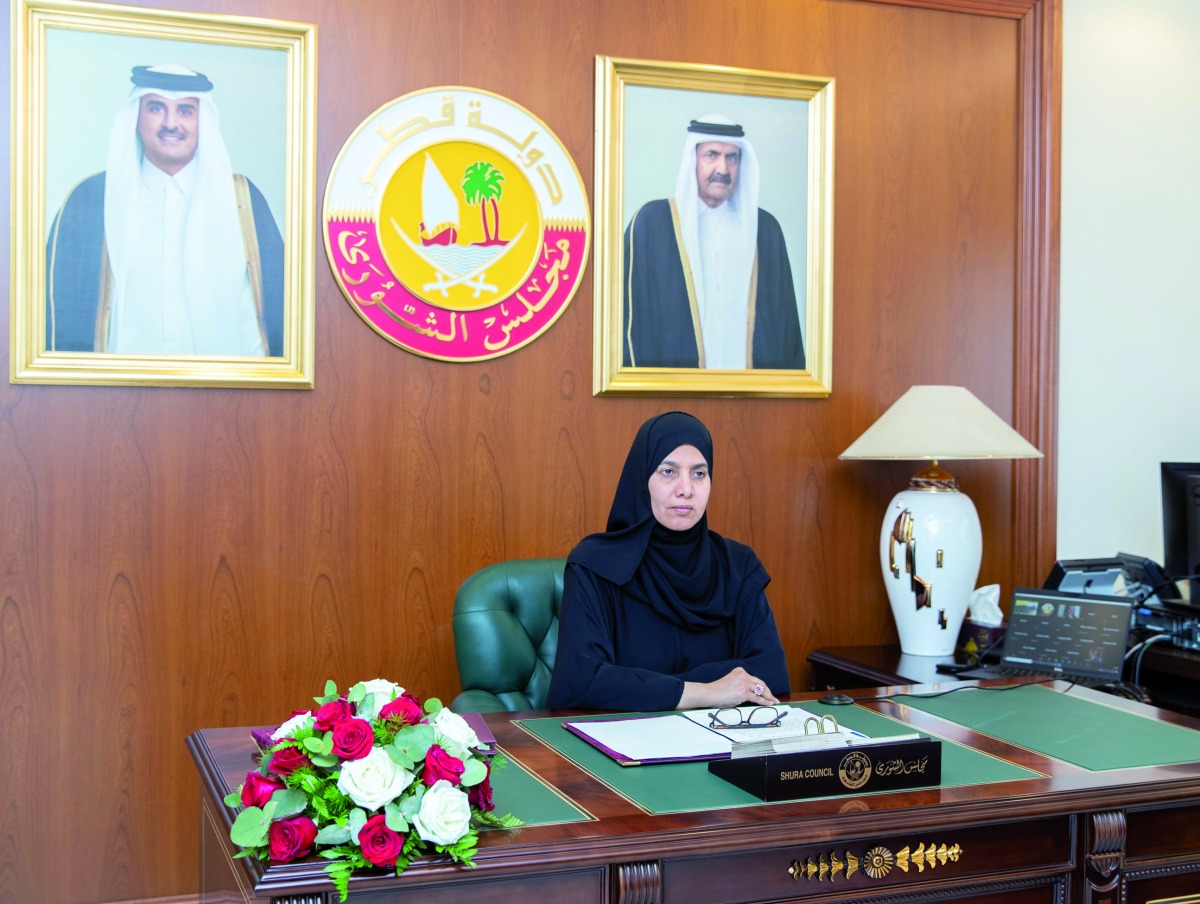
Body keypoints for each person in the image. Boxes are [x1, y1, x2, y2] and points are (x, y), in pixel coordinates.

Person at [547, 411, 790, 712]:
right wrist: (705, 692)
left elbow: (773, 672)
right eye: (668, 472)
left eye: (699, 473)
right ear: (641, 479)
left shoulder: (737, 566)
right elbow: (580, 683)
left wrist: (645, 686)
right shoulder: (594, 565)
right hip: (627, 745)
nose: (686, 489)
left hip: (725, 742)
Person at [45, 64, 284, 356]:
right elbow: (64, 315)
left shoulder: (242, 201)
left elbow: (270, 314)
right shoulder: (91, 200)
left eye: (185, 111)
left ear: (203, 122)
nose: (171, 124)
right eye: (157, 108)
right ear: (136, 117)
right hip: (116, 393)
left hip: (223, 393)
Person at [622, 115, 805, 371]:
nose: (722, 168)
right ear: (693, 160)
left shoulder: (765, 230)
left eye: (732, 158)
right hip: (674, 397)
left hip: (751, 399)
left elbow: (788, 330)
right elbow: (627, 324)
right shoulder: (652, 224)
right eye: (712, 155)